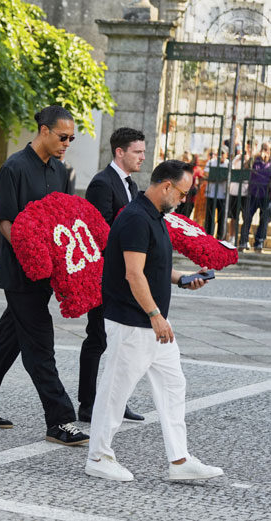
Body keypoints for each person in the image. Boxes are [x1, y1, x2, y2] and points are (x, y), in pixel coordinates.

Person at [85, 160, 223, 482]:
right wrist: (155, 315)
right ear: (166, 186)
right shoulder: (136, 218)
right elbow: (133, 274)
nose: (184, 200)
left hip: (152, 325)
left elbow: (153, 268)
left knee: (174, 385)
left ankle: (180, 460)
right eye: (182, 193)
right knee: (115, 391)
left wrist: (183, 279)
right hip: (133, 322)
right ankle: (98, 457)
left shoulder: (155, 216)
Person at [0, 105, 88, 446]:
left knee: (9, 340)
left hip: (48, 275)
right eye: (63, 137)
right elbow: (5, 221)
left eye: (72, 139)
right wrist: (33, 254)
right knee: (40, 346)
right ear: (44, 131)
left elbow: (64, 222)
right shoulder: (14, 167)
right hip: (20, 275)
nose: (67, 143)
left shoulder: (62, 171)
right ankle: (60, 421)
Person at [78, 127, 146, 424]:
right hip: (104, 276)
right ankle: (88, 404)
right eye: (137, 152)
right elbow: (98, 232)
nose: (142, 157)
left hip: (126, 275)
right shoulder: (102, 183)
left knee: (124, 342)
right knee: (97, 338)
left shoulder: (132, 185)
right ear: (120, 152)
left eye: (143, 152)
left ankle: (118, 401)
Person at [240, 142, 271, 252]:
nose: (265, 151)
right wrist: (254, 157)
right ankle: (243, 242)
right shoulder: (255, 160)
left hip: (266, 196)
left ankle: (259, 243)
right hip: (253, 193)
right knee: (247, 217)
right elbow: (246, 166)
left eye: (267, 149)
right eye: (263, 148)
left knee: (264, 220)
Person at [203, 147, 228, 237]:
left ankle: (220, 237)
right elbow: (206, 174)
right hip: (211, 193)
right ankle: (208, 235)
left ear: (226, 155)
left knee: (221, 218)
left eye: (223, 153)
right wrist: (217, 176)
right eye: (219, 153)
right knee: (210, 216)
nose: (220, 155)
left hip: (222, 194)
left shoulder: (228, 164)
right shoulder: (211, 162)